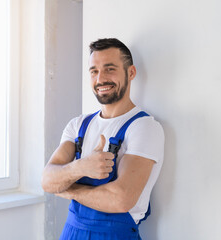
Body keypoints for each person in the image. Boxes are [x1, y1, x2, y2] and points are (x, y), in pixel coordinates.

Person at [41, 38, 164, 240]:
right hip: (71, 232)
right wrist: (81, 167)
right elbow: (47, 181)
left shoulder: (144, 127)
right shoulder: (78, 125)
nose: (101, 79)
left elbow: (122, 199)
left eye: (110, 69)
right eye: (94, 71)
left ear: (131, 73)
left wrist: (68, 189)